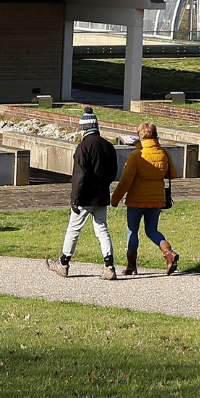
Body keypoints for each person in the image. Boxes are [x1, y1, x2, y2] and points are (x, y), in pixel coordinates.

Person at [109, 121, 181, 278]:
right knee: (152, 230)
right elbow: (172, 174)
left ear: (139, 136)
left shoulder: (136, 155)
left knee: (132, 230)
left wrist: (114, 199)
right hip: (157, 199)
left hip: (136, 200)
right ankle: (169, 253)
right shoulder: (164, 153)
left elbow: (125, 181)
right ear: (156, 135)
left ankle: (131, 265)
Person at [52, 109, 118, 278]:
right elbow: (113, 172)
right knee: (102, 229)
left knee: (73, 229)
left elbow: (79, 176)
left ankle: (64, 263)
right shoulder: (108, 146)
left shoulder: (83, 147)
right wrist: (103, 185)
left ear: (84, 129)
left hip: (85, 196)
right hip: (101, 195)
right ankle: (109, 266)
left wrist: (75, 198)